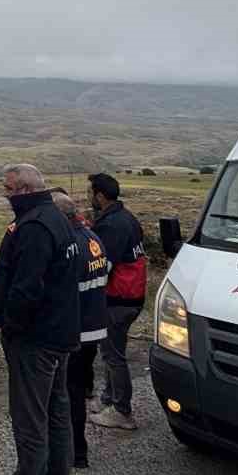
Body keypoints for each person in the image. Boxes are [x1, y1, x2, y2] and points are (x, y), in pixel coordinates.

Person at [0, 164, 82, 475]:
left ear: (24, 189)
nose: (6, 195)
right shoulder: (56, 218)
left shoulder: (35, 228)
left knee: (30, 417)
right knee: (56, 412)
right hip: (59, 333)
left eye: (9, 189)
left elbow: (26, 289)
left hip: (35, 339)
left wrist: (10, 326)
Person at [87, 172, 147, 432]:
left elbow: (102, 266)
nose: (89, 197)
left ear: (99, 195)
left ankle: (122, 411)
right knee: (112, 351)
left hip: (118, 299)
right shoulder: (127, 218)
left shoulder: (111, 225)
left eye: (91, 193)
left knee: (113, 355)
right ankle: (109, 400)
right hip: (131, 297)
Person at [59, 191, 109, 469]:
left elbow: (62, 289)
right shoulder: (94, 238)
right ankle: (78, 450)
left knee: (70, 392)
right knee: (78, 388)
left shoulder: (72, 244)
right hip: (95, 326)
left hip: (76, 331)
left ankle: (75, 450)